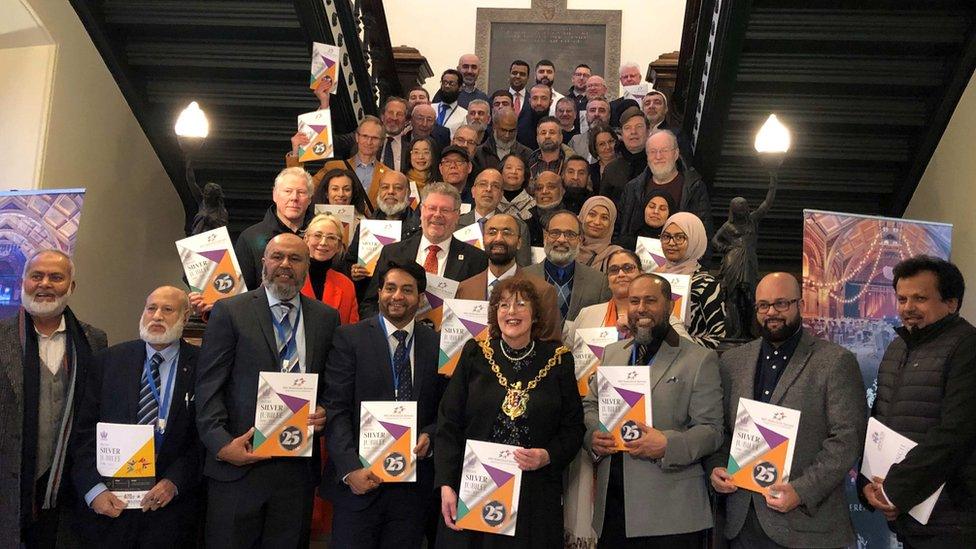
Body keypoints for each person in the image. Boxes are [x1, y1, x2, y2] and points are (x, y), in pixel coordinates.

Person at [195, 233, 339, 548]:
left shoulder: (326, 318)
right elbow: (208, 386)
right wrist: (222, 445)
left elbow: (332, 383)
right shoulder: (231, 311)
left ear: (306, 266)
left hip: (295, 472)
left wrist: (326, 410)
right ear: (264, 263)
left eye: (295, 258)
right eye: (277, 257)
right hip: (238, 464)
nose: (285, 265)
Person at [709, 273, 868, 548]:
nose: (771, 312)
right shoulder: (733, 361)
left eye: (781, 303)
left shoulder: (835, 361)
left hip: (805, 525)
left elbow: (847, 440)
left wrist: (802, 490)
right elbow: (721, 428)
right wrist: (716, 467)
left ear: (801, 305)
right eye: (763, 305)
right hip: (742, 521)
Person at [435, 277, 585, 547]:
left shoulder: (559, 359)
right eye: (503, 305)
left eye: (521, 304)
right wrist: (446, 483)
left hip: (535, 493)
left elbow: (574, 428)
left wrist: (548, 455)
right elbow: (449, 421)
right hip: (476, 487)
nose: (511, 312)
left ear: (535, 314)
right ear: (495, 313)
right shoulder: (474, 353)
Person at [583, 274, 723, 547]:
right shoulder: (612, 353)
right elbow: (590, 405)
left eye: (650, 300)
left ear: (669, 306)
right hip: (614, 509)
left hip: (671, 514)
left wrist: (668, 444)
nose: (641, 308)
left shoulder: (699, 359)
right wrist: (592, 436)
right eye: (634, 301)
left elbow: (713, 430)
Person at [322, 261, 446, 548]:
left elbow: (446, 409)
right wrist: (350, 468)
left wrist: (431, 433)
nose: (397, 296)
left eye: (407, 290)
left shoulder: (437, 345)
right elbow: (336, 408)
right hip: (359, 484)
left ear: (421, 297)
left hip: (412, 492)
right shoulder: (349, 338)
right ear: (378, 292)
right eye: (390, 288)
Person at [70, 286, 202, 547]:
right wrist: (94, 491)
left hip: (169, 511)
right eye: (151, 308)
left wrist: (174, 482)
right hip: (109, 506)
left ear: (185, 317)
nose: (157, 316)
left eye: (168, 309)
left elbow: (202, 440)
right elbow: (82, 434)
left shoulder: (203, 365)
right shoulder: (108, 361)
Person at [860, 256, 976, 547]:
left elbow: (956, 432)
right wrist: (868, 485)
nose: (908, 308)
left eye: (920, 298)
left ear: (952, 303)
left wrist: (895, 492)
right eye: (902, 298)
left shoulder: (968, 346)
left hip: (952, 520)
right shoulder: (898, 346)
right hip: (909, 515)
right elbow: (879, 421)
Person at [0, 250, 107, 548]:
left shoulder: (94, 340)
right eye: (37, 276)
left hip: (66, 490)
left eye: (56, 277)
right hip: (8, 485)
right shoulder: (1, 336)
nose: (45, 283)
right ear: (24, 282)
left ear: (71, 286)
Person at [359, 182, 488, 318]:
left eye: (445, 210)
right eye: (432, 208)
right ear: (421, 211)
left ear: (457, 215)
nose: (437, 215)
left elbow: (477, 312)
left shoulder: (476, 259)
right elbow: (370, 305)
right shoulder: (392, 253)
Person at [455, 213, 560, 340]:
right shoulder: (464, 289)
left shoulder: (543, 291)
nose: (498, 238)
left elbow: (550, 347)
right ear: (483, 240)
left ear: (519, 242)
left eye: (507, 233)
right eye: (492, 232)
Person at [616, 130, 713, 252]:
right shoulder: (632, 188)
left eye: (664, 151)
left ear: (676, 154)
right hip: (635, 263)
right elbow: (619, 228)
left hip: (679, 265)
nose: (658, 157)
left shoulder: (694, 188)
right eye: (653, 152)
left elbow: (705, 235)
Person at [524, 211, 612, 324]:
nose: (561, 240)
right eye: (555, 233)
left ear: (579, 240)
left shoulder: (599, 282)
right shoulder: (523, 277)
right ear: (545, 237)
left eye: (570, 234)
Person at [288, 115, 390, 211]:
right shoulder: (334, 167)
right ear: (357, 137)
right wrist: (296, 151)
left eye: (375, 138)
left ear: (382, 142)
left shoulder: (388, 174)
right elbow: (303, 186)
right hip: (334, 226)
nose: (369, 142)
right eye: (365, 136)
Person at [235, 167, 314, 290]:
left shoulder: (320, 239)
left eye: (301, 192)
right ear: (274, 195)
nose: (294, 198)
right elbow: (240, 291)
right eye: (288, 191)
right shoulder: (250, 238)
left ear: (309, 199)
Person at [657, 213, 726, 349]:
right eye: (666, 236)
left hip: (689, 363)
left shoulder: (705, 285)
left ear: (695, 239)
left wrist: (679, 344)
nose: (671, 243)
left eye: (680, 237)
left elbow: (718, 338)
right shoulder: (654, 280)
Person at [458, 169, 531, 266]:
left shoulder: (518, 226)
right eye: (483, 184)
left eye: (495, 186)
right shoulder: (455, 224)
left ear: (501, 195)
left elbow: (523, 269)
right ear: (473, 191)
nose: (488, 189)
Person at [302, 213, 360, 325]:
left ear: (338, 246)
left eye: (331, 238)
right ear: (306, 240)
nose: (323, 243)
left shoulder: (346, 285)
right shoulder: (290, 279)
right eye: (317, 235)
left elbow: (353, 333)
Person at [600, 107, 649, 202]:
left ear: (648, 131)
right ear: (621, 134)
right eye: (627, 128)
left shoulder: (656, 164)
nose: (633, 132)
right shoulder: (611, 169)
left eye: (639, 126)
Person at [473, 107, 532, 175]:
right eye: (503, 130)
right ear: (494, 127)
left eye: (511, 131)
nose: (507, 135)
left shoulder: (527, 154)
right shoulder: (478, 154)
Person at [577, 196, 623, 273]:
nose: (597, 222)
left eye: (604, 218)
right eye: (592, 214)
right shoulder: (566, 246)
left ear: (611, 223)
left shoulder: (617, 255)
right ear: (582, 216)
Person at [524, 171, 567, 247]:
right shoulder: (526, 220)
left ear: (562, 191)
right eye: (539, 188)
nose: (544, 192)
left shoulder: (572, 219)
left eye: (550, 187)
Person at [497, 153, 535, 222]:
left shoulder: (533, 205)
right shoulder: (492, 200)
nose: (514, 172)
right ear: (501, 172)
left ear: (525, 175)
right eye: (509, 167)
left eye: (519, 169)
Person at [431, 69, 469, 137]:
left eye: (451, 83)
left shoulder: (464, 115)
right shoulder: (430, 108)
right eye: (444, 82)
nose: (447, 86)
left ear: (460, 87)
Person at [516, 83, 553, 150]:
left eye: (544, 98)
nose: (539, 103)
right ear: (529, 101)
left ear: (551, 102)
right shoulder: (520, 126)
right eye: (535, 98)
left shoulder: (555, 126)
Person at [588, 123, 619, 193]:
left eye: (610, 141)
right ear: (595, 148)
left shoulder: (627, 166)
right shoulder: (589, 171)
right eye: (602, 144)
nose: (608, 147)